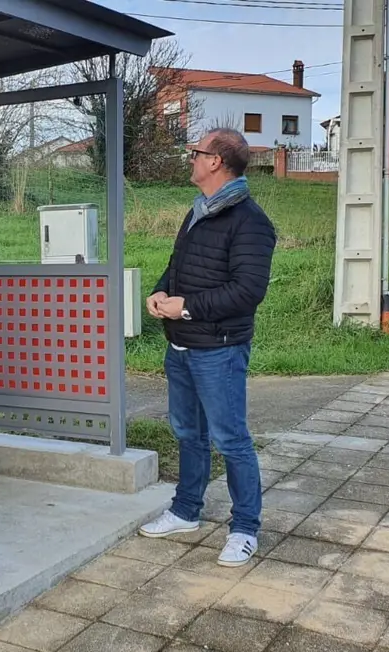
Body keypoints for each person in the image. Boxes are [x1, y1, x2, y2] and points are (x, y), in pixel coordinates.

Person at [138, 128, 277, 568]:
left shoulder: (251, 221)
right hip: (181, 346)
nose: (190, 159)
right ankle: (185, 511)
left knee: (230, 439)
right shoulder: (198, 211)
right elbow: (177, 267)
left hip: (219, 349)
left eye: (195, 153)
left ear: (216, 161)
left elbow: (248, 291)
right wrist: (160, 294)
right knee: (187, 433)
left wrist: (187, 308)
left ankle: (245, 529)